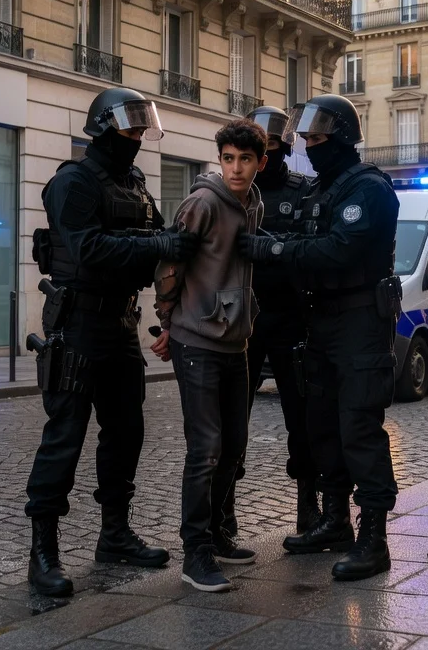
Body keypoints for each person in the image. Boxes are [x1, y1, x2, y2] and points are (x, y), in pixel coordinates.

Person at [24, 87, 200, 597]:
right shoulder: (72, 182)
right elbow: (88, 247)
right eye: (130, 129)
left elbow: (156, 244)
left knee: (126, 434)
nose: (138, 137)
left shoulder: (136, 183)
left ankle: (115, 534)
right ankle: (43, 551)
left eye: (143, 129)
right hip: (78, 325)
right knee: (65, 438)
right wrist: (156, 244)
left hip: (122, 324)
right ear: (102, 128)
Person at [238, 94, 400, 581]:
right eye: (306, 138)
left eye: (318, 138)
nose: (309, 145)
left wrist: (276, 248)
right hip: (321, 321)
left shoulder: (367, 189)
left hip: (360, 322)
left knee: (358, 428)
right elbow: (313, 245)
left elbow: (338, 251)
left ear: (344, 139)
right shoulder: (322, 190)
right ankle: (334, 522)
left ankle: (374, 539)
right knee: (321, 424)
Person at [151, 119, 266, 592]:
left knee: (234, 444)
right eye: (228, 159)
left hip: (235, 341)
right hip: (196, 340)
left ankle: (219, 534)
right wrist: (167, 320)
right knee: (206, 449)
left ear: (260, 162)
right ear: (219, 160)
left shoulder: (253, 204)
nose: (236, 169)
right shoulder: (202, 202)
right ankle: (194, 553)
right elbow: (170, 263)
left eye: (245, 159)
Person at [240, 105, 318, 536]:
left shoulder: (303, 191)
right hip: (240, 320)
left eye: (269, 146)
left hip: (291, 318)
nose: (262, 155)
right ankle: (224, 506)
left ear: (283, 148)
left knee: (302, 419)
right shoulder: (230, 189)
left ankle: (308, 505)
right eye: (256, 147)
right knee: (232, 418)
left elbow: (313, 249)